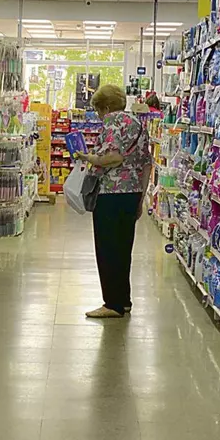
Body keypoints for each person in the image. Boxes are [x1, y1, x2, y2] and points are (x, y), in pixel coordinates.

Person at [74, 85, 152, 318]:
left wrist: (87, 157)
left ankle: (112, 304)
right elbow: (147, 163)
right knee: (123, 249)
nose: (99, 116)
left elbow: (112, 157)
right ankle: (123, 300)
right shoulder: (137, 123)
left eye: (99, 110)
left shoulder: (112, 121)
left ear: (106, 107)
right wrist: (141, 198)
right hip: (132, 193)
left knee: (107, 248)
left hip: (110, 193)